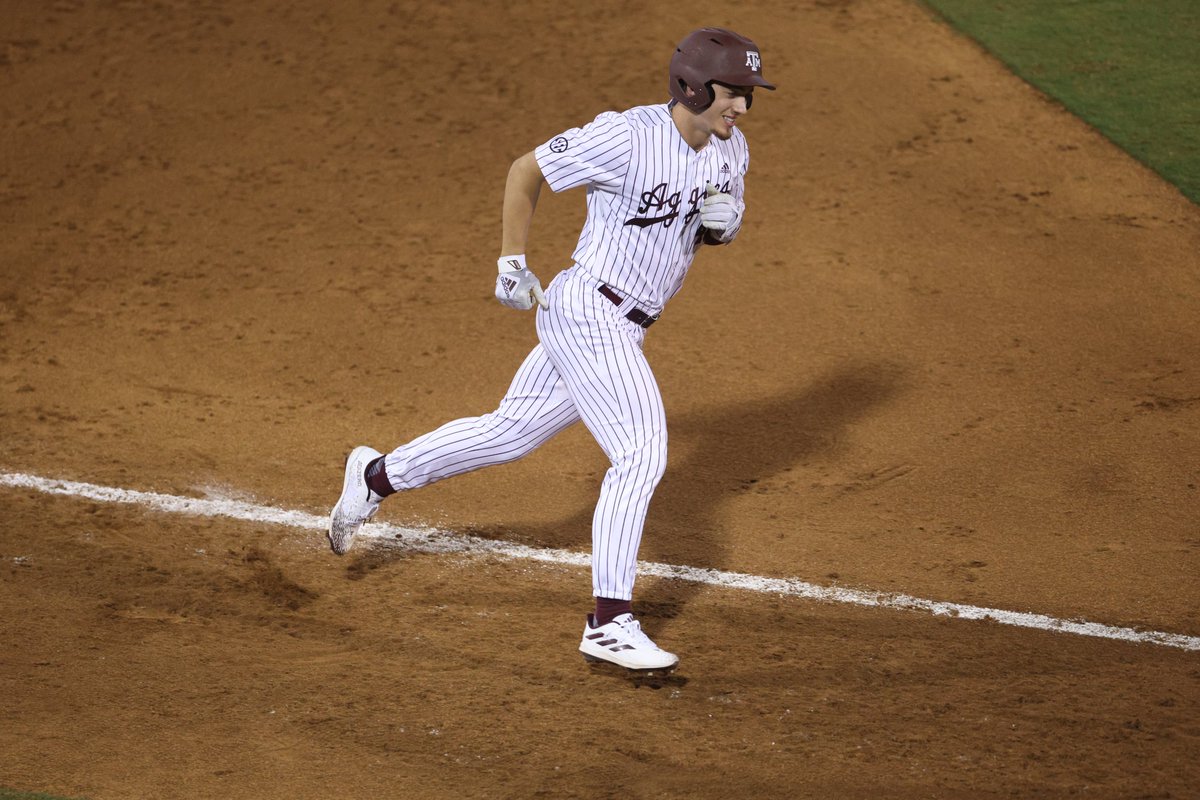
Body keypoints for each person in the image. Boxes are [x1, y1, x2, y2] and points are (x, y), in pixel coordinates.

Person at [328, 27, 774, 672]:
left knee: (510, 432)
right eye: (733, 92)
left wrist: (725, 228)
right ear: (694, 86)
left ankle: (375, 476)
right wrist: (511, 261)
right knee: (640, 453)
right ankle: (609, 622)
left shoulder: (732, 152)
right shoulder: (627, 137)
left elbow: (711, 224)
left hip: (625, 324)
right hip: (588, 310)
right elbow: (527, 170)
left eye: (748, 95)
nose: (742, 106)